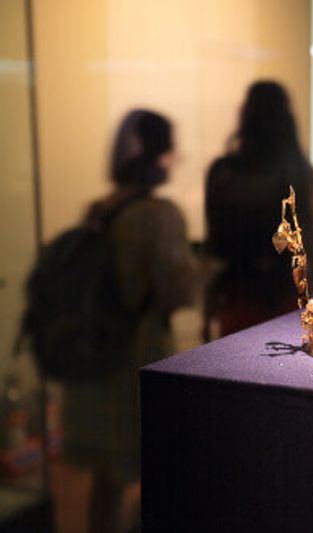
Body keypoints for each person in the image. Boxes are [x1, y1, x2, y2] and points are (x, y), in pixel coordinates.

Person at [62, 109, 197, 533]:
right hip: (136, 359)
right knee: (150, 469)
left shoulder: (97, 209)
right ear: (159, 154)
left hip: (94, 359)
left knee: (104, 485)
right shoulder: (161, 214)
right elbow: (178, 293)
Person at [205, 81, 313, 337]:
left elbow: (214, 245)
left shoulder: (222, 172)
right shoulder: (300, 174)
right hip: (287, 294)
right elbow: (312, 243)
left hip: (238, 292)